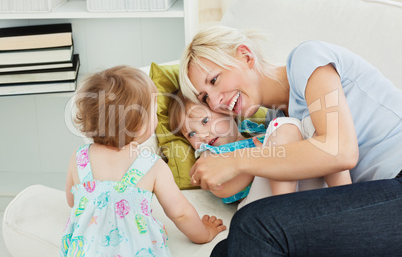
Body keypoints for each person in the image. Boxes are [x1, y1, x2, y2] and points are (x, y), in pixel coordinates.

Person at [178, 25, 402, 256]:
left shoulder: (307, 59)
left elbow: (341, 151)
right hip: (370, 199)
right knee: (225, 250)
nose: (215, 103)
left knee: (253, 224)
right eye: (205, 98)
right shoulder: (281, 121)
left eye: (214, 80)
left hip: (396, 183)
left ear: (245, 56)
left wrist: (234, 160)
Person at [60, 66, 226, 256]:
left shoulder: (80, 157)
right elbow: (181, 213)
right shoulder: (152, 165)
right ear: (139, 127)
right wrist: (204, 234)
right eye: (154, 112)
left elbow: (72, 200)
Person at [168, 91, 351, 209]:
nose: (202, 135)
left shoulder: (254, 129)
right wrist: (259, 159)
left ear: (227, 112)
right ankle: (285, 214)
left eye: (205, 121)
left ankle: (347, 201)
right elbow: (222, 189)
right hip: (261, 204)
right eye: (191, 134)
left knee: (314, 123)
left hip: (299, 184)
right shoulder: (210, 155)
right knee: (283, 125)